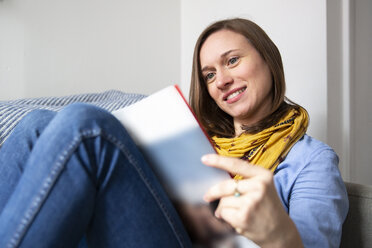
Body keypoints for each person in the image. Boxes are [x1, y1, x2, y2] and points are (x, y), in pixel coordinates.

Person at [0, 18, 348, 248]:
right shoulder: (190, 138)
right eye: (209, 75)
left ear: (268, 60)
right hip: (154, 227)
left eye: (231, 61)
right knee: (35, 126)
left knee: (86, 126)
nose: (221, 80)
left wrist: (279, 235)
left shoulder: (311, 160)